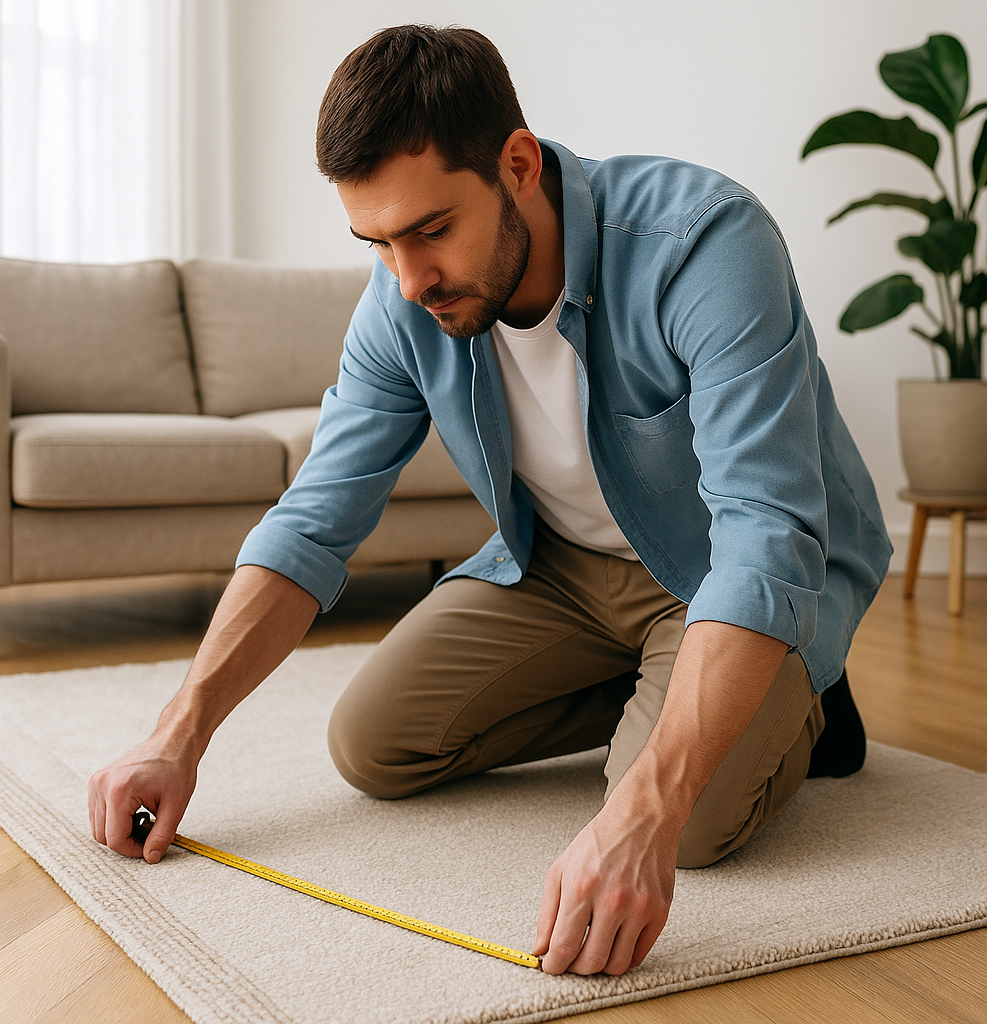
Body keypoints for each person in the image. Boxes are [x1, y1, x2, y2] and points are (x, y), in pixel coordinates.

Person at [88, 25, 892, 976]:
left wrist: (642, 808)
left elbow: (765, 537)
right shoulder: (401, 301)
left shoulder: (705, 243)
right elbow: (313, 520)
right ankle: (661, 696)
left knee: (691, 822)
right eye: (377, 241)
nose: (409, 278)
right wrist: (177, 734)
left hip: (719, 573)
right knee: (373, 746)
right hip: (561, 569)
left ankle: (799, 699)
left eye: (431, 230)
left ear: (516, 163)